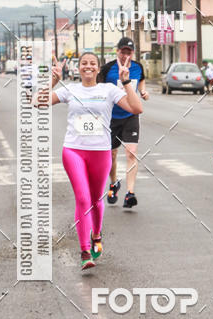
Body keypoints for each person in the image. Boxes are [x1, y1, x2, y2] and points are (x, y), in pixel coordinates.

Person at [36, 51, 142, 271]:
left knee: (95, 199)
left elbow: (136, 108)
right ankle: (84, 251)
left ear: (98, 68)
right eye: (84, 63)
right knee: (83, 199)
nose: (88, 67)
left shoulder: (109, 90)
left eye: (92, 63)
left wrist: (126, 82)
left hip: (100, 152)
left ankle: (96, 234)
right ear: (78, 68)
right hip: (73, 151)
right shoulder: (70, 89)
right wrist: (53, 81)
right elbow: (38, 102)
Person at [98, 37, 149, 210]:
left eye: (129, 52)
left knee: (131, 153)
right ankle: (114, 183)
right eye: (123, 51)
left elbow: (141, 80)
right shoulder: (107, 69)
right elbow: (98, 88)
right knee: (111, 154)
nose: (126, 54)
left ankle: (130, 193)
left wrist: (142, 91)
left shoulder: (137, 67)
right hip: (111, 117)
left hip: (130, 115)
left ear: (132, 53)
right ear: (117, 51)